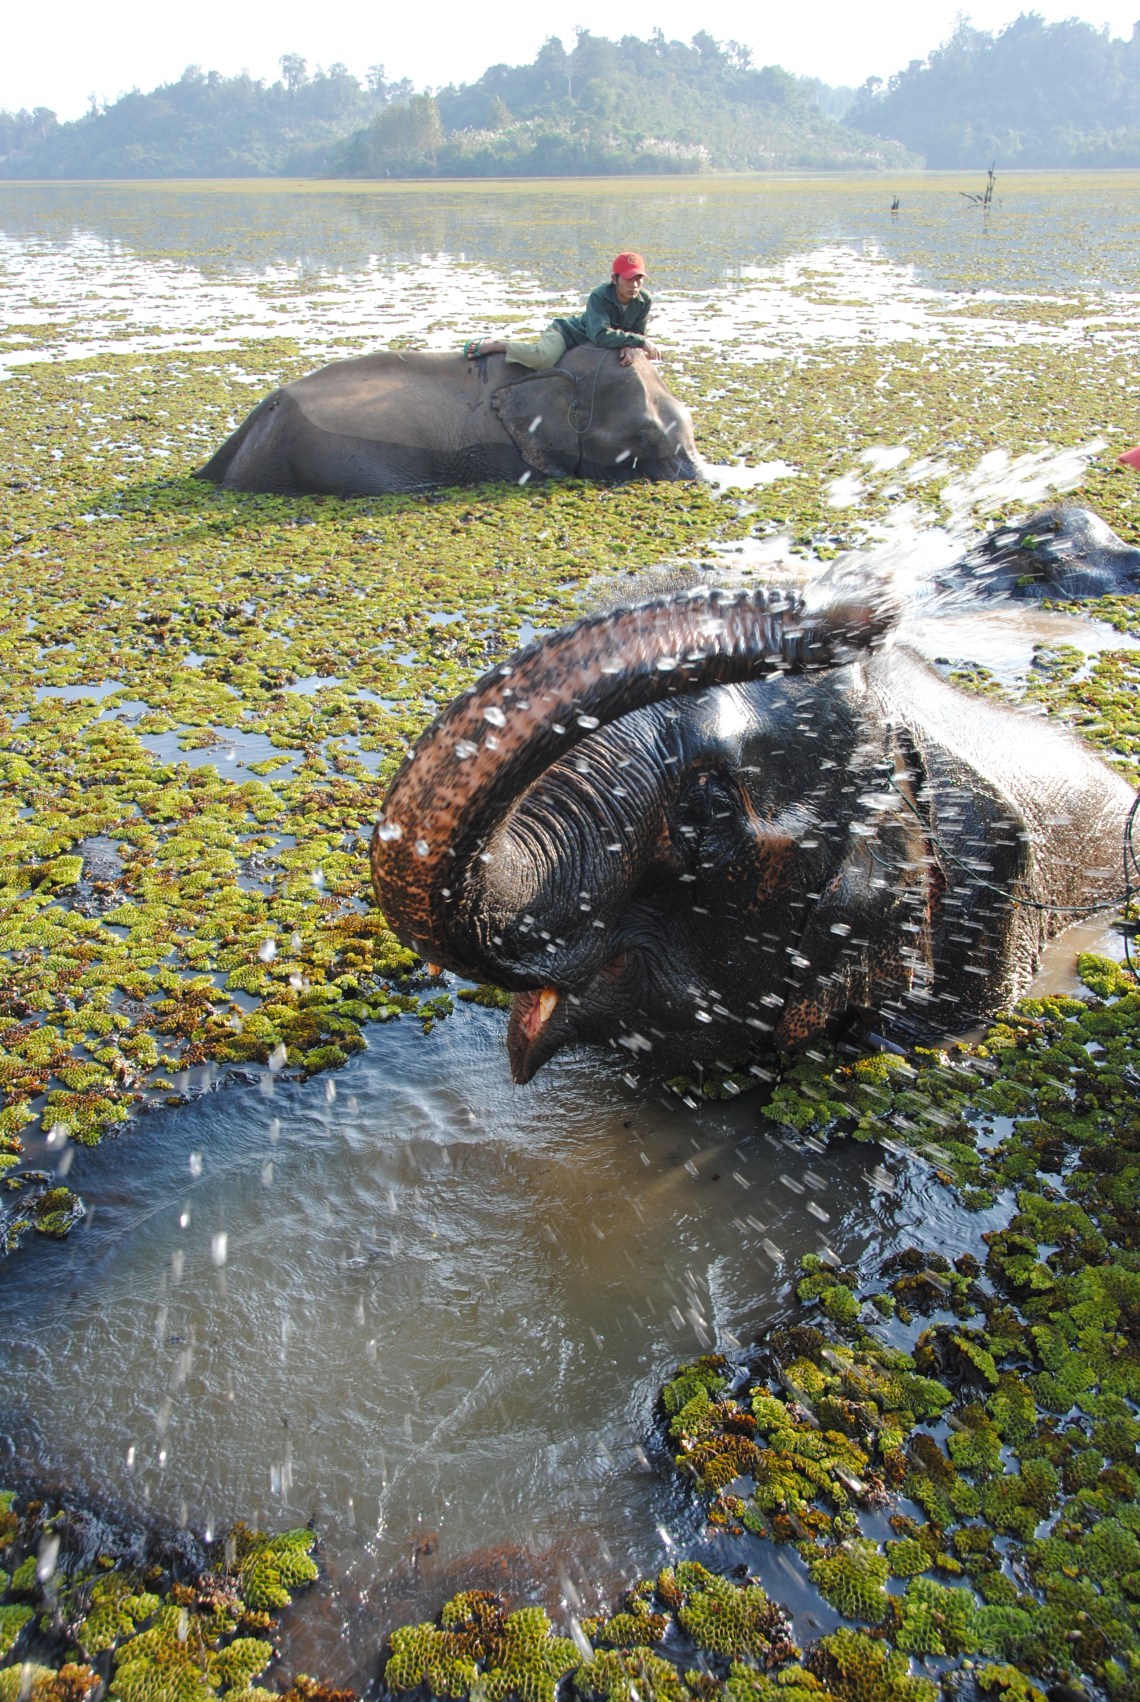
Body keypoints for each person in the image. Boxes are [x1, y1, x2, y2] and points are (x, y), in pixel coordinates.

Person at [464, 252, 660, 370]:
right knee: (543, 358)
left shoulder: (644, 300)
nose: (634, 284)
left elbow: (637, 332)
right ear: (615, 279)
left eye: (638, 279)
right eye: (628, 279)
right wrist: (636, 341)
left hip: (602, 340)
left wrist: (630, 344)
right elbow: (600, 335)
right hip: (568, 334)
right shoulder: (599, 296)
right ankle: (498, 345)